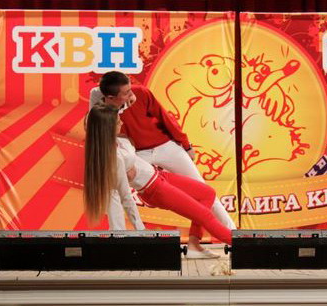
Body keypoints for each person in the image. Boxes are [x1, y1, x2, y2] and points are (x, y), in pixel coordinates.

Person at [89, 71, 236, 233]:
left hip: (165, 146)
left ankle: (232, 231)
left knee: (203, 189)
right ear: (110, 97)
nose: (131, 94)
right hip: (138, 154)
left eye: (130, 89)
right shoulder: (101, 109)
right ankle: (118, 232)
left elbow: (164, 116)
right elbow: (95, 101)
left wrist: (186, 144)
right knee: (115, 188)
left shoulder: (140, 93)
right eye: (126, 92)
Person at [84, 104, 231, 258]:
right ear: (107, 128)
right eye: (117, 121)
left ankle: (194, 244)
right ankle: (241, 244)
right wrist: (140, 230)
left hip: (159, 176)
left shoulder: (120, 140)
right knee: (205, 215)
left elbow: (97, 119)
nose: (122, 122)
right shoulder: (113, 158)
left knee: (207, 193)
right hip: (154, 189)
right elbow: (125, 197)